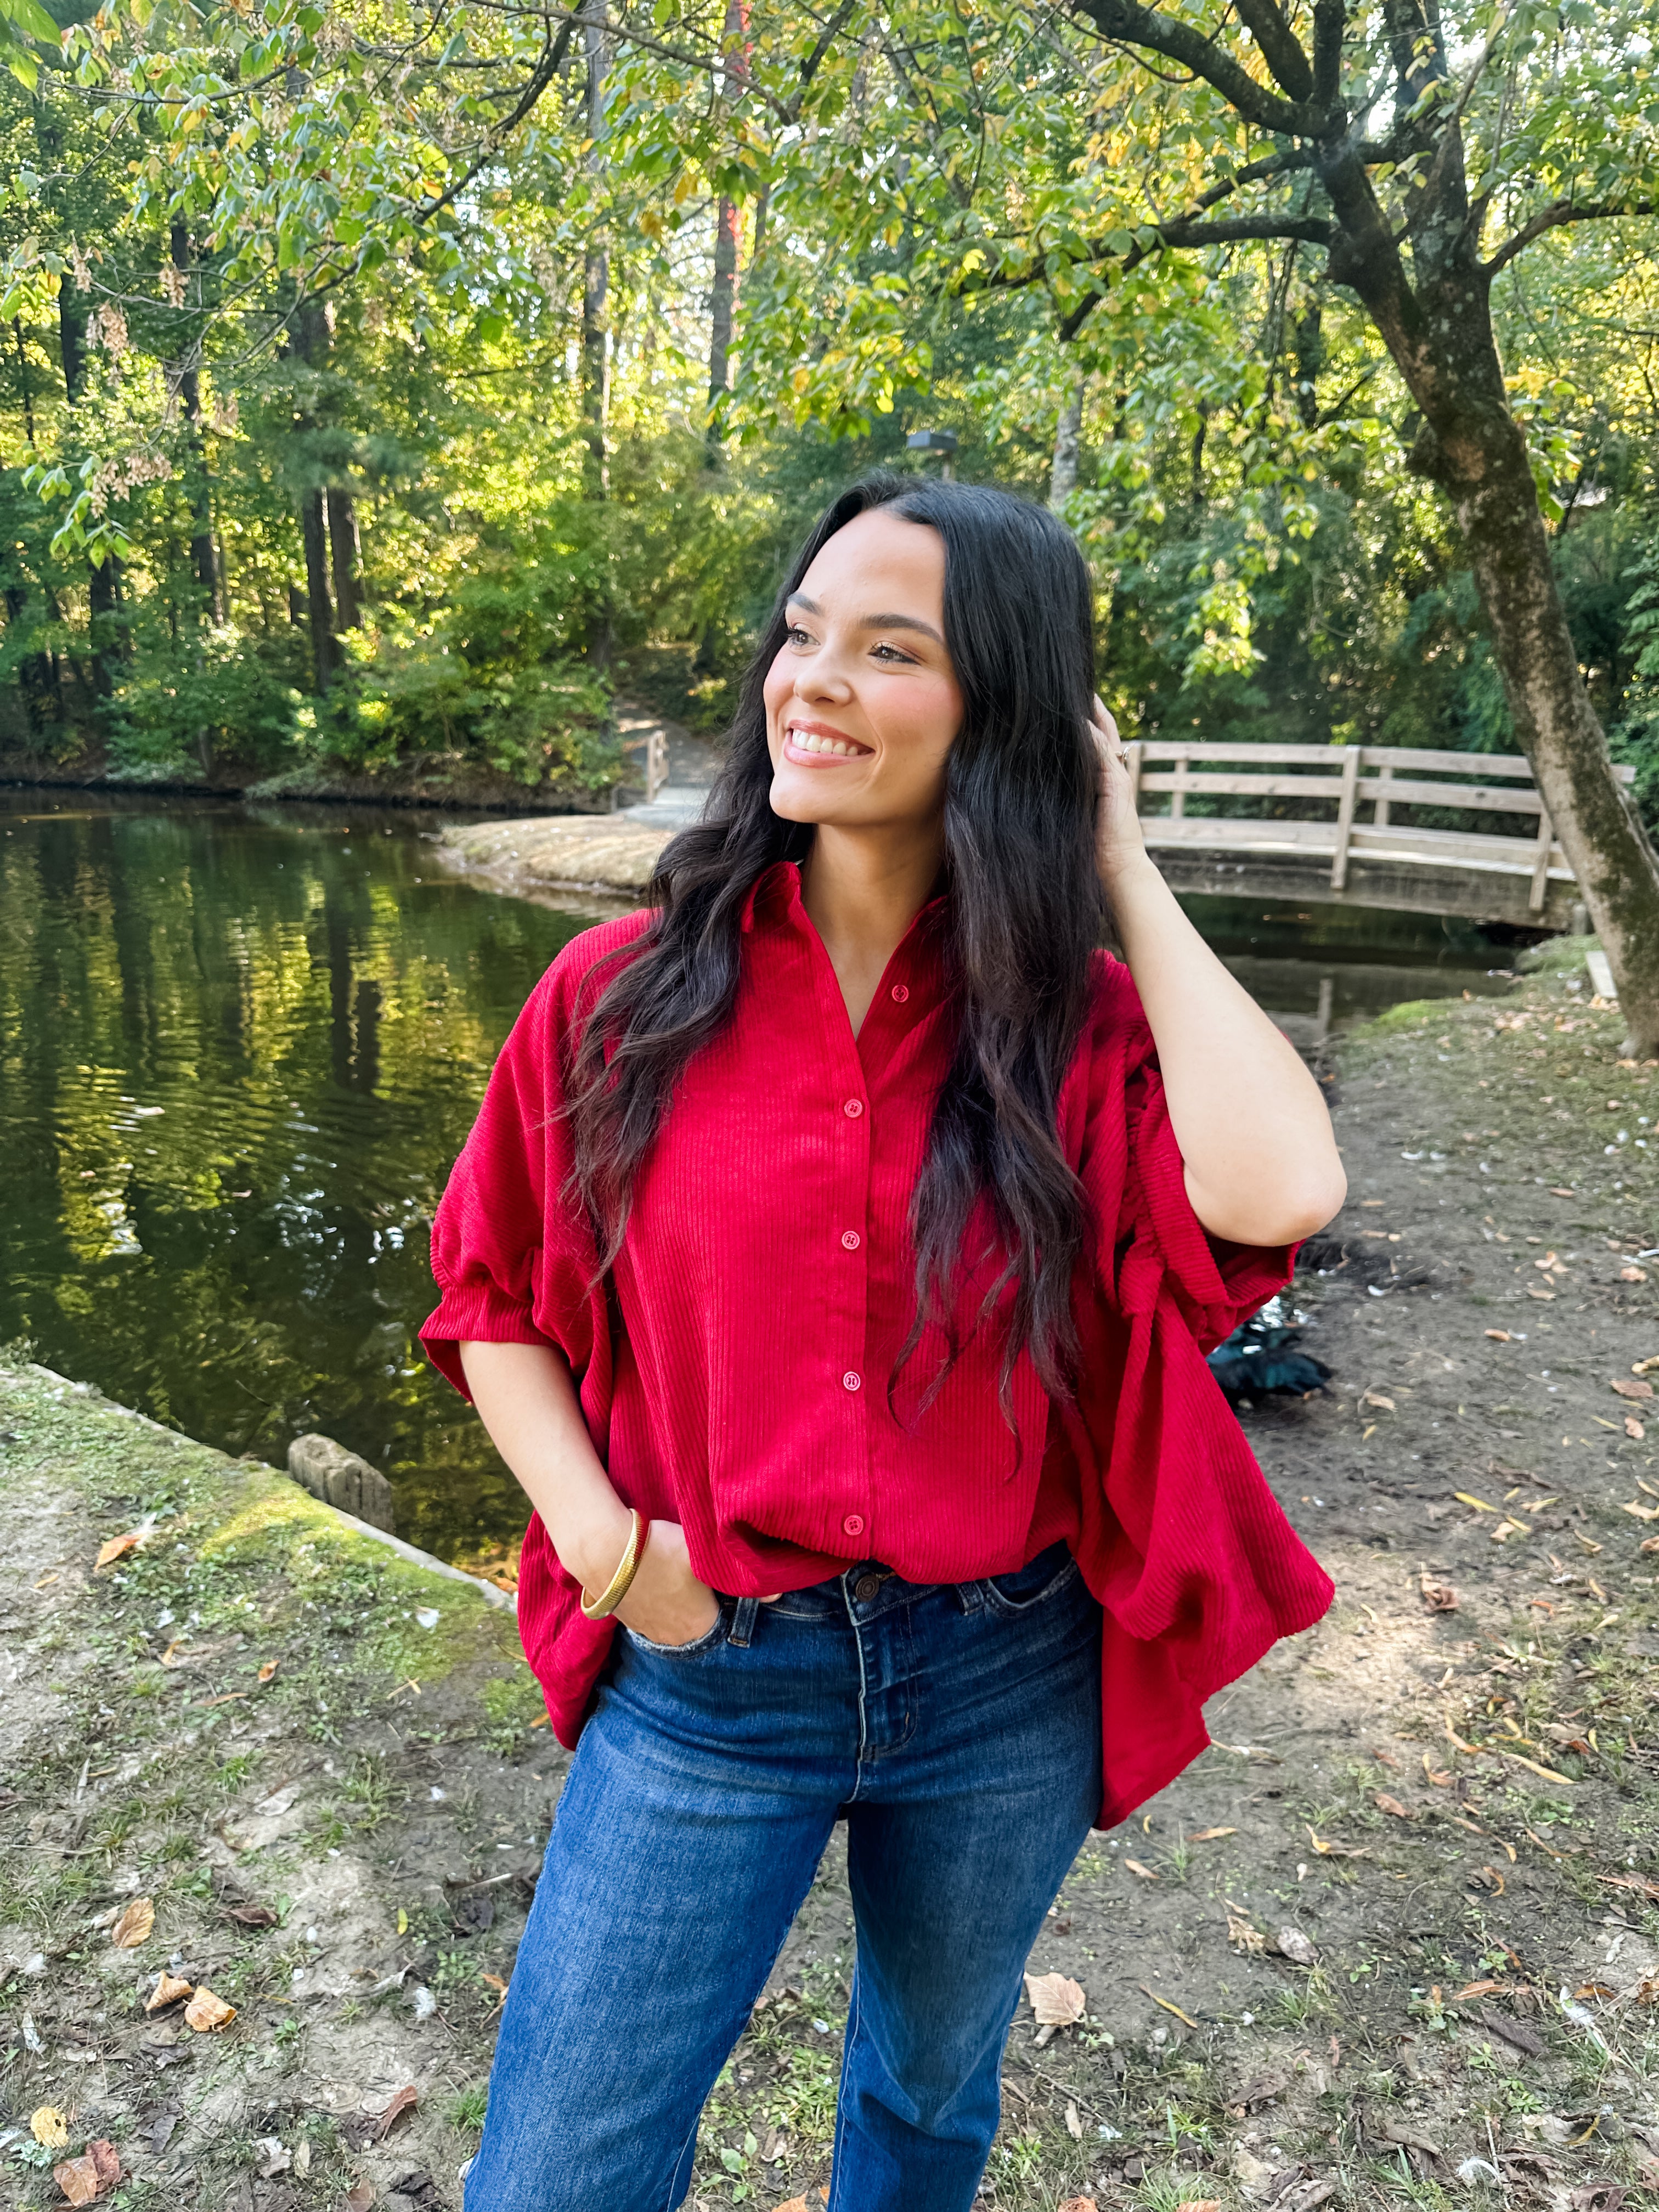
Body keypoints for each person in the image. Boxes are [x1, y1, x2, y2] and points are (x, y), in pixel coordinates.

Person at [421, 473, 1344, 2212]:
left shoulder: (1079, 1034)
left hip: (1006, 1677)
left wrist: (1119, 861)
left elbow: (1283, 1186)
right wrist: (616, 1552)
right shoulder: (616, 996)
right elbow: (496, 1307)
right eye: (800, 634)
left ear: (1002, 710)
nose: (813, 680)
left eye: (889, 649)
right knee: (559, 2168)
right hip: (709, 1678)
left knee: (925, 2103)